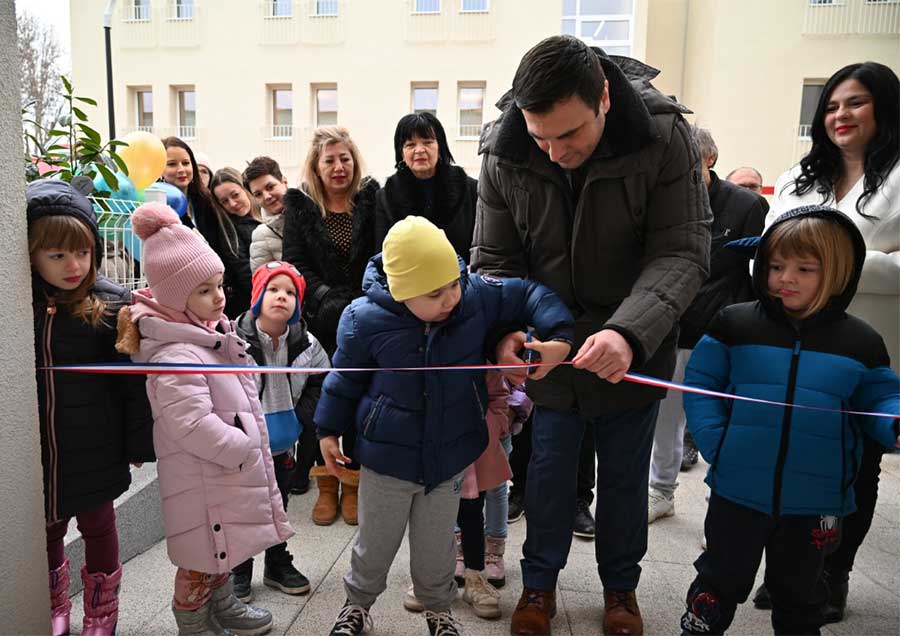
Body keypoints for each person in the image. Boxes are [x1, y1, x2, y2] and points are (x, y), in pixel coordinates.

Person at [471, 35, 711, 636]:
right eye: (540, 136)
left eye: (569, 135)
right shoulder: (504, 149)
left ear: (604, 97)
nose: (553, 152)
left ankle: (621, 590)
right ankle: (539, 586)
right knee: (548, 471)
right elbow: (495, 261)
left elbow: (681, 250)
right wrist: (510, 334)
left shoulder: (664, 135)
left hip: (633, 339)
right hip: (548, 344)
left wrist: (628, 332)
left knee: (625, 479)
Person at [315, 216, 575, 636]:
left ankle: (439, 611)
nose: (450, 297)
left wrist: (558, 334)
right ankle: (357, 605)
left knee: (437, 547)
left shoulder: (473, 297)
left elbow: (529, 293)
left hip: (450, 454)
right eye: (434, 293)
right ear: (401, 292)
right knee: (374, 545)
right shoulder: (363, 319)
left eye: (453, 282)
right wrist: (326, 431)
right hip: (387, 457)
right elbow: (344, 379)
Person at [679, 206, 900, 636]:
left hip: (816, 501)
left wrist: (894, 420)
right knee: (718, 577)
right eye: (776, 266)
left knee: (801, 590)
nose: (786, 278)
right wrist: (716, 444)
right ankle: (699, 627)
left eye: (805, 268)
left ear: (837, 272)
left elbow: (882, 396)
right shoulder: (735, 324)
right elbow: (703, 382)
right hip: (737, 489)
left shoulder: (861, 342)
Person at [757, 61, 900, 623]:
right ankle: (788, 568)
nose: (841, 115)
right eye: (833, 105)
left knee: (853, 467)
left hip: (864, 349)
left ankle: (831, 574)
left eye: (857, 102)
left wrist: (837, 270)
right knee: (791, 457)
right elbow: (772, 246)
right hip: (792, 345)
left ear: (884, 108)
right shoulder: (799, 178)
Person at [119, 202, 294, 636]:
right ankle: (193, 622)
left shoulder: (206, 334)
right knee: (201, 560)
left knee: (222, 550)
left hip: (218, 475)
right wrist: (241, 446)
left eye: (218, 285)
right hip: (205, 478)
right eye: (204, 290)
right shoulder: (177, 354)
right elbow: (191, 424)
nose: (219, 296)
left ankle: (223, 603)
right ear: (177, 298)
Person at [27, 179, 155, 636]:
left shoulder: (110, 304)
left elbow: (133, 385)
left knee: (100, 524)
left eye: (81, 252)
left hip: (96, 443)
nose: (73, 266)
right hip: (38, 449)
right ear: (31, 254)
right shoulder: (19, 306)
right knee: (46, 529)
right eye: (57, 255)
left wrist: (137, 442)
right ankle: (52, 602)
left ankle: (102, 612)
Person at [648, 125, 768, 523]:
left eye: (689, 164)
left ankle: (721, 506)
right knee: (665, 419)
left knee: (720, 423)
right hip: (672, 328)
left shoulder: (746, 206)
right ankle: (660, 492)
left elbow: (754, 273)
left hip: (722, 333)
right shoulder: (664, 198)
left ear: (710, 159)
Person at [282, 126, 380, 526]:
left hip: (367, 314)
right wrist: (326, 299)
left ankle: (353, 482)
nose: (339, 167)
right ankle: (325, 483)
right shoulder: (301, 206)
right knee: (322, 398)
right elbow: (294, 263)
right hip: (320, 318)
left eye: (345, 158)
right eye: (329, 160)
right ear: (317, 167)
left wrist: (364, 300)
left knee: (361, 394)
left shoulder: (371, 201)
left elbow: (381, 254)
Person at [231, 262, 330, 603]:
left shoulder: (308, 343)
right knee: (241, 508)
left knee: (279, 506)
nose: (282, 297)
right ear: (258, 295)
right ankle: (239, 569)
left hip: (284, 446)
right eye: (274, 289)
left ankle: (276, 562)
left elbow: (322, 379)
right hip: (243, 448)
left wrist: (303, 418)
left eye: (290, 293)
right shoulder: (232, 339)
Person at [375, 112, 477, 261]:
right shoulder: (385, 198)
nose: (419, 150)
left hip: (461, 279)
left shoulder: (471, 189)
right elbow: (382, 255)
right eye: (410, 145)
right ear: (401, 153)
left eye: (427, 142)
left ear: (440, 147)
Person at [209, 167, 262, 317]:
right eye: (225, 201)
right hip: (255, 305)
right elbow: (245, 274)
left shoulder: (269, 213)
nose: (232, 204)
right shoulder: (229, 233)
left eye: (235, 195)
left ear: (245, 188)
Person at [161, 137, 219, 248]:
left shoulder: (206, 200)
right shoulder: (157, 206)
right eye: (172, 164)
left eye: (186, 163)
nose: (181, 169)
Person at [245, 156, 290, 273]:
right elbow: (263, 285)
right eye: (258, 194)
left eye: (270, 187)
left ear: (284, 182)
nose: (267, 197)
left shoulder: (314, 209)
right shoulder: (261, 236)